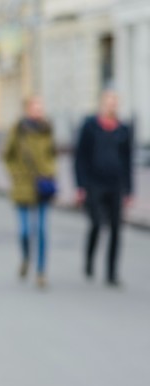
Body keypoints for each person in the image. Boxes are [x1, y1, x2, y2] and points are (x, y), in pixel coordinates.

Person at [74, 90, 134, 287]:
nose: (112, 106)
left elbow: (128, 161)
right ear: (101, 104)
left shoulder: (123, 129)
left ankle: (111, 273)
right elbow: (80, 157)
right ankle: (89, 261)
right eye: (108, 102)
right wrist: (80, 185)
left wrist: (129, 190)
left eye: (115, 102)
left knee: (117, 229)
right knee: (97, 224)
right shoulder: (90, 126)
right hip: (94, 184)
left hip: (115, 185)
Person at [2, 95, 57, 288]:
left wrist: (51, 171)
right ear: (27, 109)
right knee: (25, 231)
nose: (39, 110)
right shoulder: (18, 129)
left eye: (41, 106)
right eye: (35, 106)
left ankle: (41, 271)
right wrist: (16, 174)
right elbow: (7, 155)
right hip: (23, 185)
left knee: (41, 230)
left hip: (43, 184)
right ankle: (26, 257)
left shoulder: (47, 128)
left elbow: (52, 154)